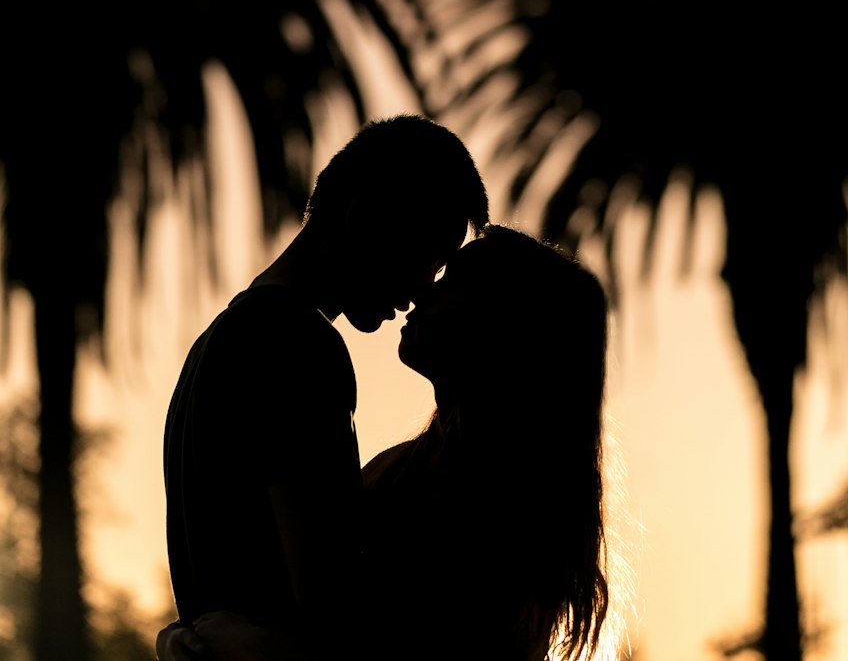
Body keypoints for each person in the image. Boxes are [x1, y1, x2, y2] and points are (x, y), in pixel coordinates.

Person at [159, 225, 611, 661]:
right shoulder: (402, 468)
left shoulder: (510, 507)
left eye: (452, 281)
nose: (423, 291)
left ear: (504, 326)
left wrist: (259, 651)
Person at [161, 114, 489, 660]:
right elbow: (331, 604)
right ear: (364, 219)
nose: (419, 291)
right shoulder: (294, 345)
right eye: (424, 257)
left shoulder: (219, 342)